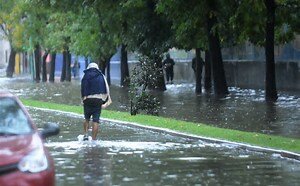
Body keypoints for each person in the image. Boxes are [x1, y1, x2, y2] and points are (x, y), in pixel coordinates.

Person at [81, 62, 112, 140]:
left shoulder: (85, 75)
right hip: (98, 101)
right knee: (96, 120)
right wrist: (106, 100)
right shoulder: (101, 76)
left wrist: (83, 99)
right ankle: (94, 139)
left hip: (87, 100)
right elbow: (106, 88)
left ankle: (85, 134)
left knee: (86, 118)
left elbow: (83, 88)